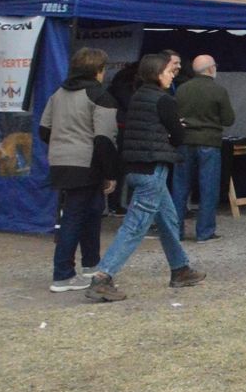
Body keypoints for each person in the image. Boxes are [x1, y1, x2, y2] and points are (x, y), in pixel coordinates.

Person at [86, 54, 206, 302]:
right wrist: (178, 129)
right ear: (156, 73)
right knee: (135, 226)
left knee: (168, 219)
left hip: (135, 167)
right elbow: (178, 138)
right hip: (153, 169)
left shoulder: (138, 96)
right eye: (168, 70)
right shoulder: (164, 100)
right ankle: (102, 277)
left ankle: (180, 269)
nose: (172, 74)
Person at [38, 48, 119, 292]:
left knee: (91, 211)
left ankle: (91, 265)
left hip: (61, 160)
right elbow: (105, 139)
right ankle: (62, 274)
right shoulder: (100, 96)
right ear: (98, 70)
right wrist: (111, 173)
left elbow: (44, 130)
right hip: (87, 162)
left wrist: (64, 143)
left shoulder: (58, 94)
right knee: (74, 215)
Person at [171, 55, 235, 242]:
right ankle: (204, 232)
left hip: (184, 141)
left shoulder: (181, 89)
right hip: (209, 142)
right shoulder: (218, 91)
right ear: (210, 69)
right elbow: (228, 119)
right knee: (208, 188)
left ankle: (176, 232)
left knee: (180, 187)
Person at [103, 61, 138, 214]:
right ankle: (114, 203)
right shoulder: (123, 88)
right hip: (120, 129)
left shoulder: (117, 86)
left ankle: (113, 203)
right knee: (118, 169)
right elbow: (131, 105)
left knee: (117, 168)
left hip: (118, 128)